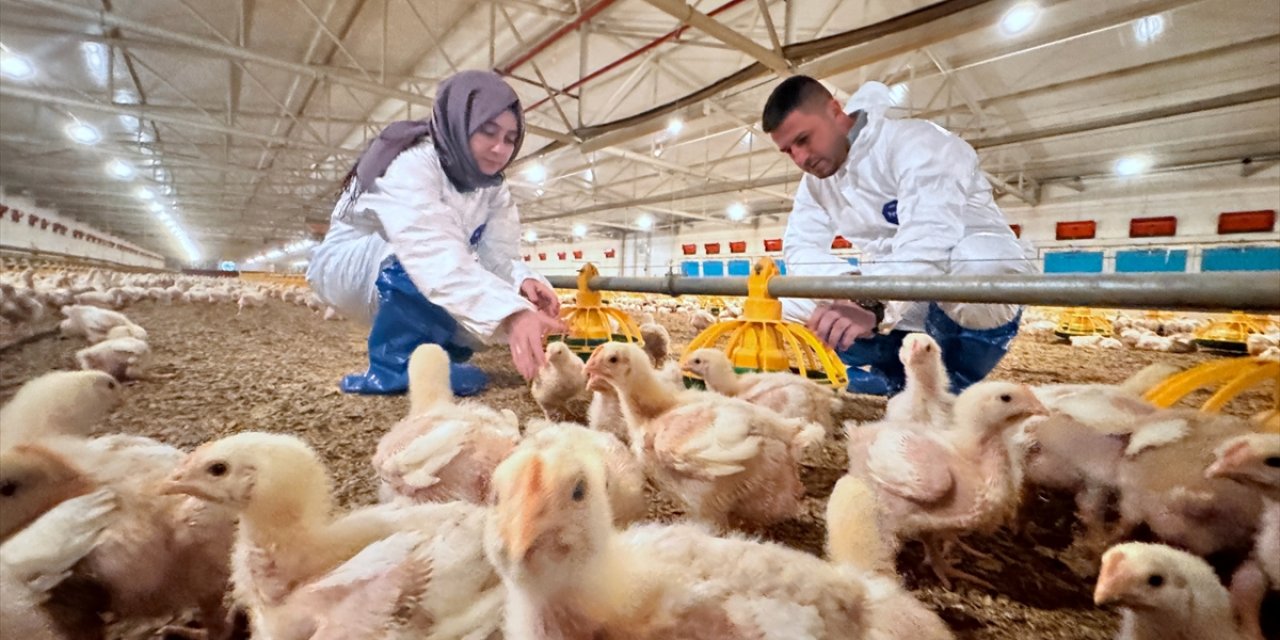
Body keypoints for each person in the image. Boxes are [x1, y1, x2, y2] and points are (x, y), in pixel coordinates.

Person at [761, 76, 1037, 395]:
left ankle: (952, 383)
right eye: (788, 151)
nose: (800, 158)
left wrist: (869, 300)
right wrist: (847, 287)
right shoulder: (815, 185)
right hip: (894, 295)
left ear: (834, 111)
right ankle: (887, 373)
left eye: (804, 139)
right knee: (782, 302)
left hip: (952, 286)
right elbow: (799, 246)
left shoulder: (917, 144)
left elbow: (929, 239)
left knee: (981, 263)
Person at [307, 70, 564, 396]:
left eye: (511, 139)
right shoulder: (412, 165)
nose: (500, 148)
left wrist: (522, 281)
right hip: (356, 266)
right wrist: (512, 316)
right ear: (460, 123)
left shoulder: (492, 187)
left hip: (420, 257)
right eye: (488, 132)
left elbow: (497, 253)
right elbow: (430, 251)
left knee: (472, 273)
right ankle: (397, 364)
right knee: (428, 260)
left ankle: (438, 355)